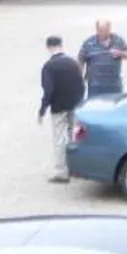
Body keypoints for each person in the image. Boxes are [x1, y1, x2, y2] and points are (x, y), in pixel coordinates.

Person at [39, 34, 86, 182]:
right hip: (74, 105)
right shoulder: (73, 63)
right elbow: (81, 84)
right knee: (73, 136)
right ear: (61, 46)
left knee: (59, 138)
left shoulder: (49, 66)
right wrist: (80, 102)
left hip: (58, 107)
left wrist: (42, 109)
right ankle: (76, 167)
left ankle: (61, 171)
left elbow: (48, 90)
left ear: (48, 47)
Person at [79, 17, 127, 101]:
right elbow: (81, 60)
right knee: (95, 108)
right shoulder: (88, 43)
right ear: (97, 29)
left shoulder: (118, 40)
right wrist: (79, 77)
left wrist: (120, 53)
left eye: (106, 30)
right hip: (95, 85)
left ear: (110, 29)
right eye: (101, 30)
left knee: (115, 108)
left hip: (114, 85)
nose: (104, 33)